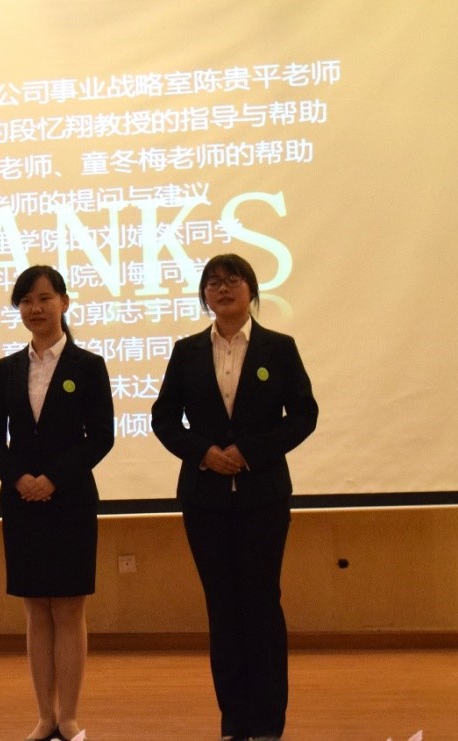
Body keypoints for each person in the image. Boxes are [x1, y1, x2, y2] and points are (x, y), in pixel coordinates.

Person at [150, 253, 318, 741]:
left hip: (263, 496)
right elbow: (163, 419)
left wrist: (249, 452)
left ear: (252, 290)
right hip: (204, 499)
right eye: (214, 282)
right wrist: (203, 453)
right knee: (222, 609)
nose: (223, 289)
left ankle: (268, 725)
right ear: (204, 294)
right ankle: (234, 722)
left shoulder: (279, 348)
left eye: (234, 280)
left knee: (262, 605)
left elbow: (303, 415)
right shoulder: (186, 351)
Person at [0, 265, 114, 741]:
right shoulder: (8, 368)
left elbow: (101, 436)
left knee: (69, 608)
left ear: (64, 302)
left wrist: (53, 479)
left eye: (44, 298)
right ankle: (44, 716)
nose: (35, 308)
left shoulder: (88, 366)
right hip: (21, 502)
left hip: (71, 499)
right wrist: (19, 478)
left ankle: (69, 716)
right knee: (36, 608)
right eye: (26, 301)